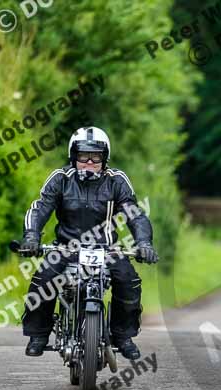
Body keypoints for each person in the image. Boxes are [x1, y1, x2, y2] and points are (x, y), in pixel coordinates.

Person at [18, 126, 159, 360]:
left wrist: (144, 242)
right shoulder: (60, 179)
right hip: (65, 248)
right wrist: (32, 236)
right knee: (43, 278)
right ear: (74, 157)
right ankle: (39, 334)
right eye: (84, 156)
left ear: (105, 158)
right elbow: (40, 207)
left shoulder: (117, 181)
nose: (90, 162)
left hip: (107, 249)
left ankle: (123, 336)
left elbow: (136, 215)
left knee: (129, 280)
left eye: (97, 157)